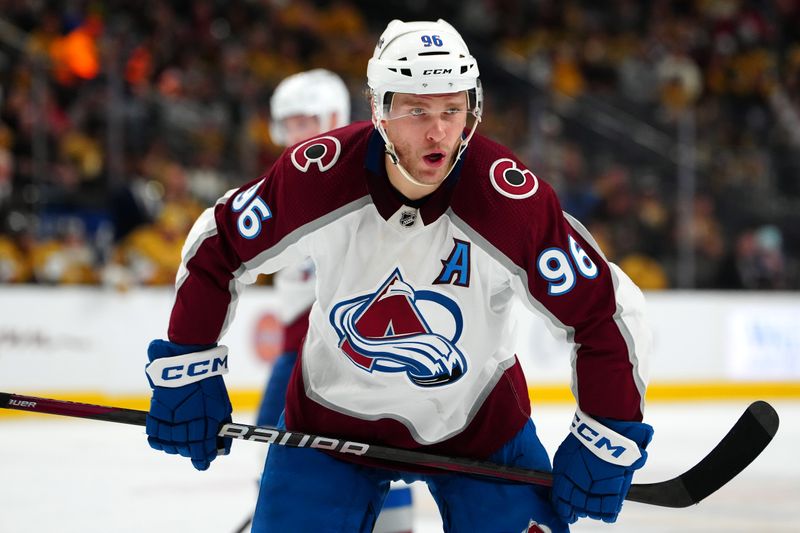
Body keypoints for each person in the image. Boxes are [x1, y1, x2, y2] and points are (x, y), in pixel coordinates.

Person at [143, 19, 653, 532]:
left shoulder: (511, 204)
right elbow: (220, 243)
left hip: (478, 426)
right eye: (417, 111)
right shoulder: (317, 175)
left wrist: (606, 430)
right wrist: (189, 362)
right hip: (330, 423)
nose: (438, 132)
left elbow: (602, 311)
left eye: (452, 110)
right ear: (380, 110)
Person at [260, 67, 414, 533]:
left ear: (330, 116)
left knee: (361, 451)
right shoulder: (293, 179)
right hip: (305, 347)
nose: (293, 134)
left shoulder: (362, 178)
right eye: (288, 125)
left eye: (303, 122)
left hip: (338, 348)